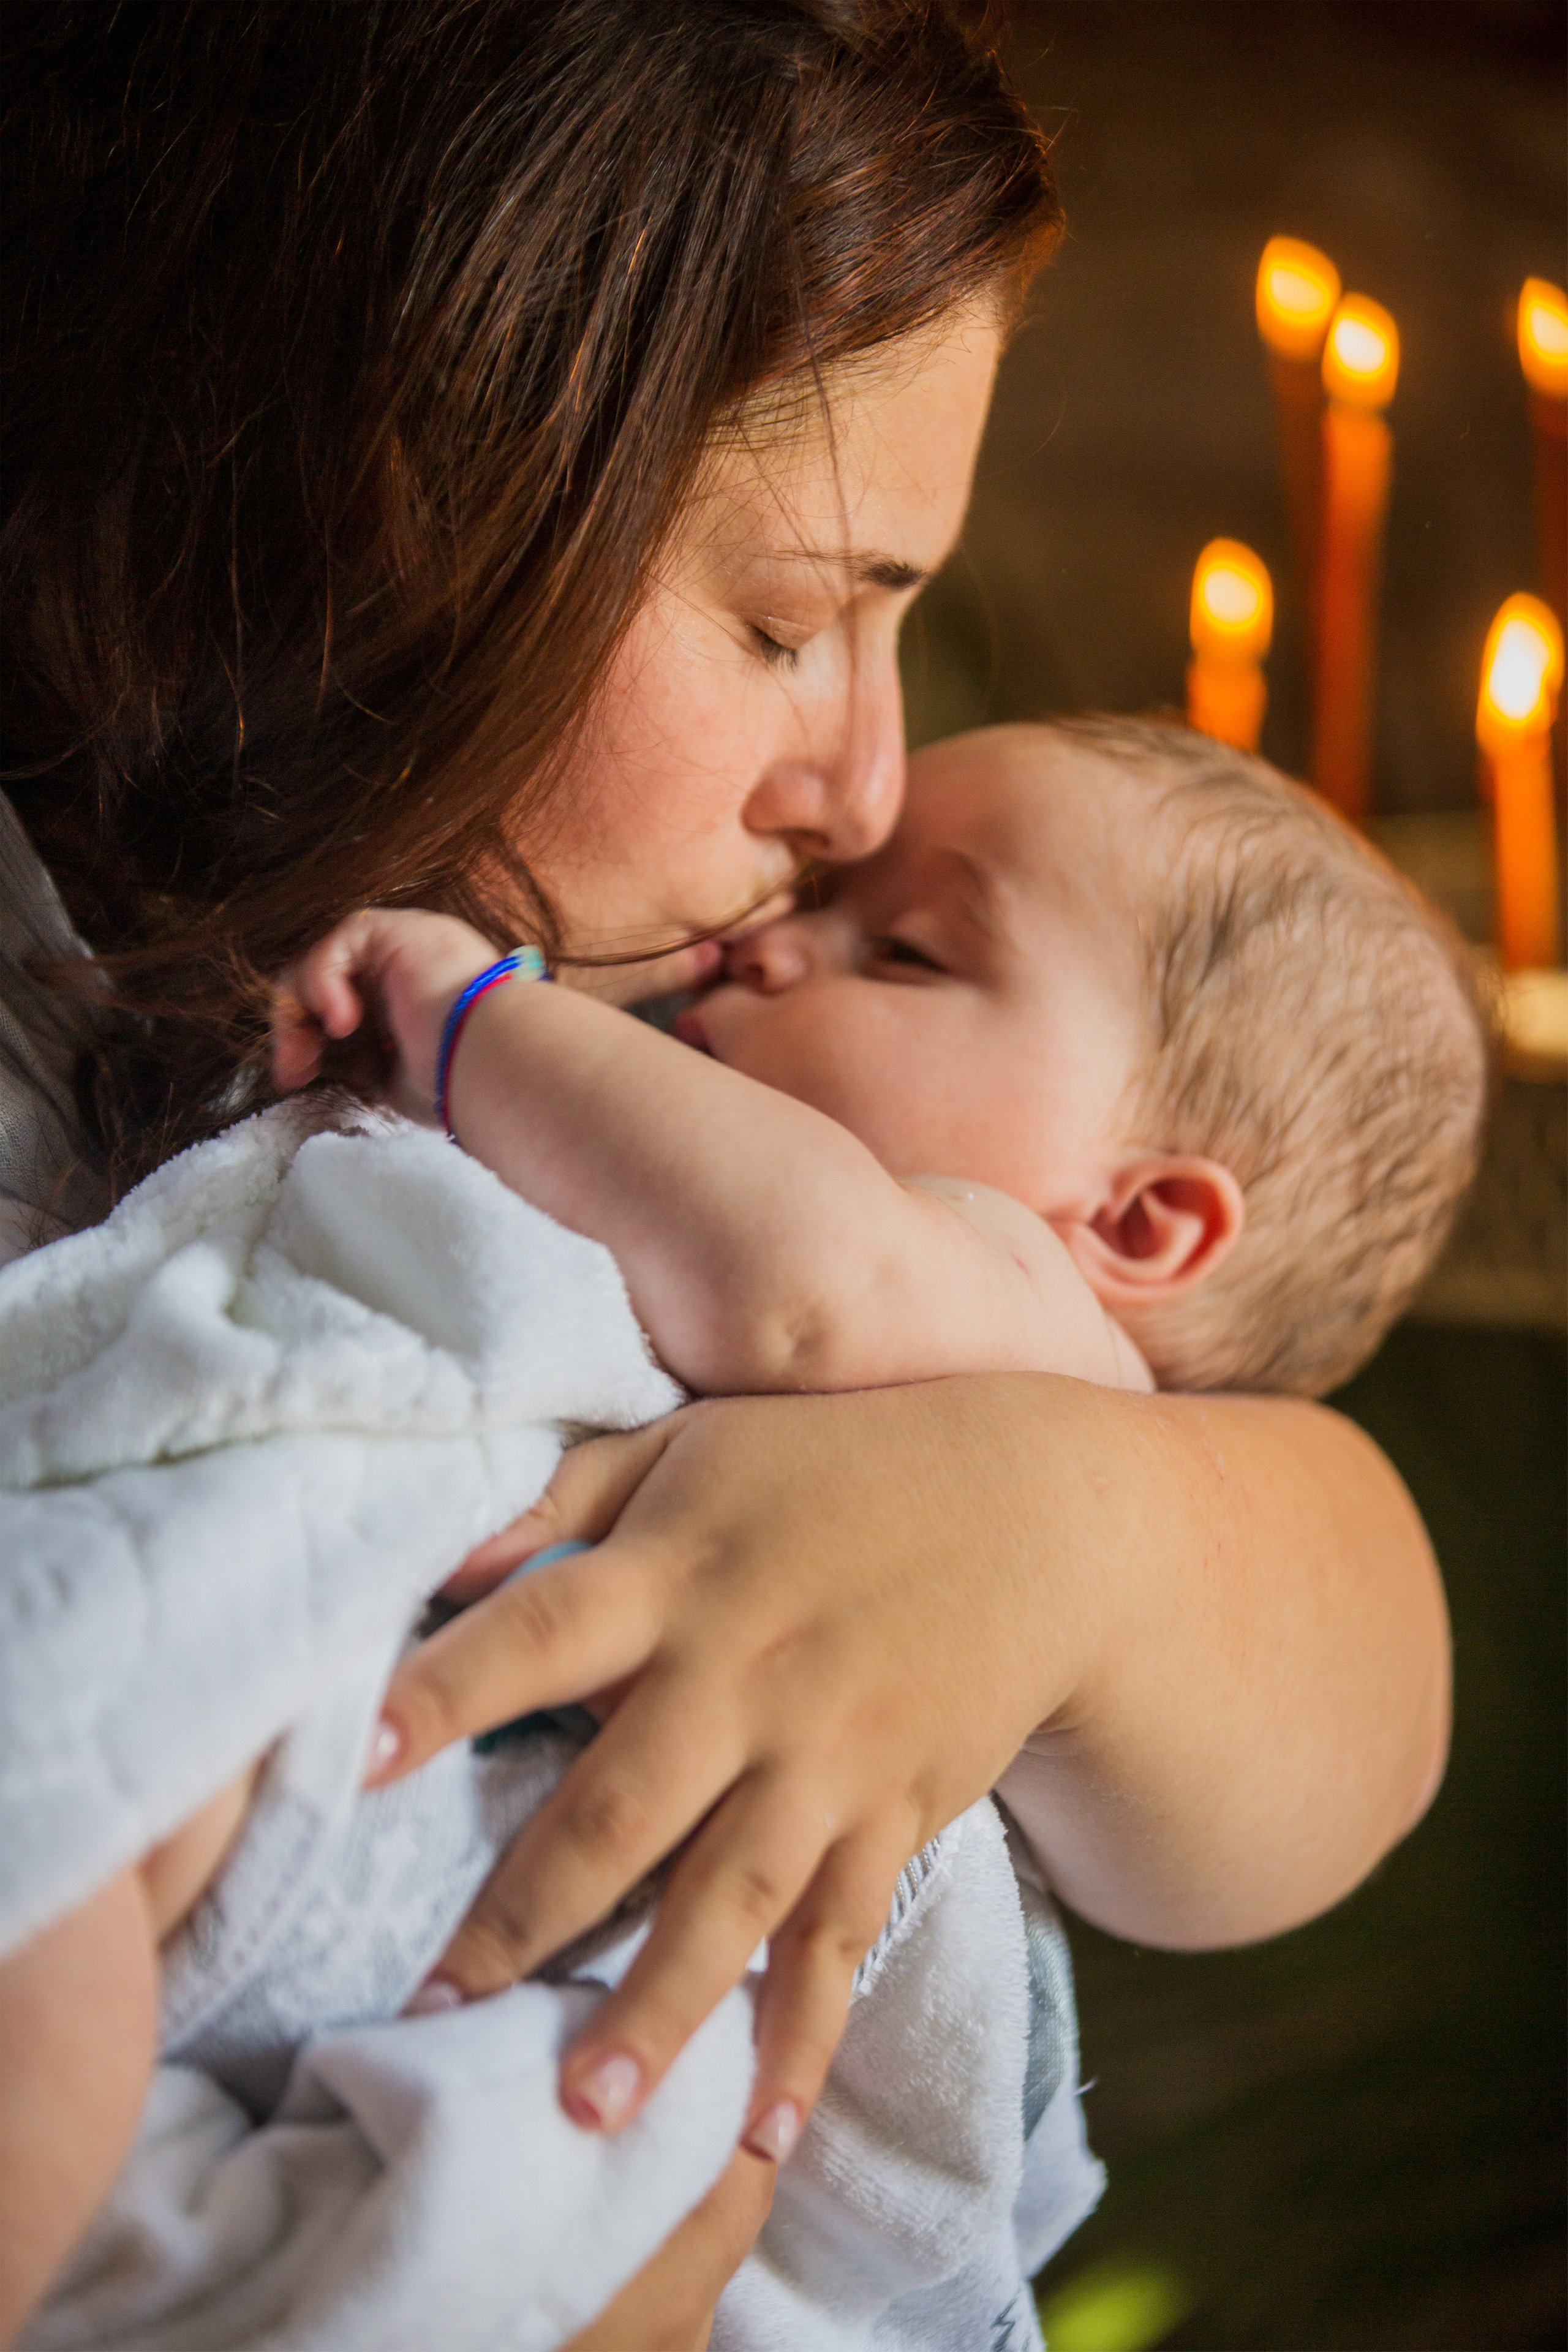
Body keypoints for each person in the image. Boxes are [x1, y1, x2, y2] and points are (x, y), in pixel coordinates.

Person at [0, 5, 1453, 2343]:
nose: (861, 790)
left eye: (896, 626)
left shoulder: (681, 1058)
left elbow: (1365, 1676)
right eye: (788, 622)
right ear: (398, 483)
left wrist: (1059, 1530)